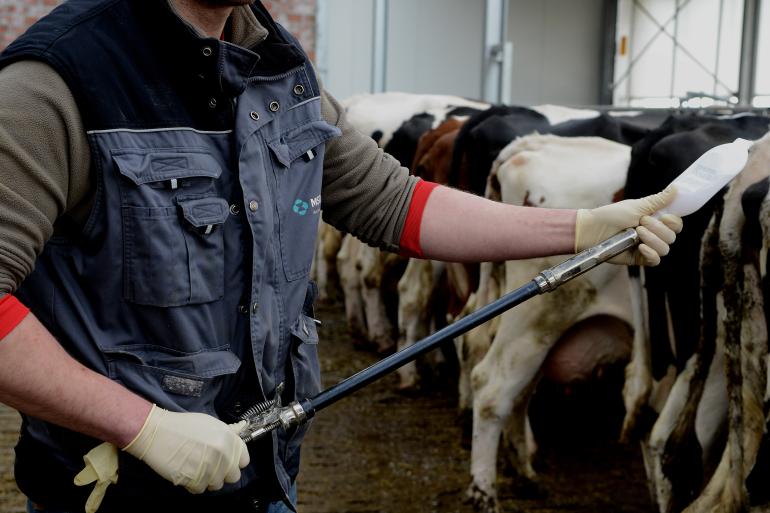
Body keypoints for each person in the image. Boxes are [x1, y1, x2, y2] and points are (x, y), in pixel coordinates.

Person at [0, 1, 683, 512]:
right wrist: (141, 426)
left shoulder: (277, 67)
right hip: (112, 492)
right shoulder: (57, 84)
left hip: (264, 481)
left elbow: (395, 203)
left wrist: (582, 227)